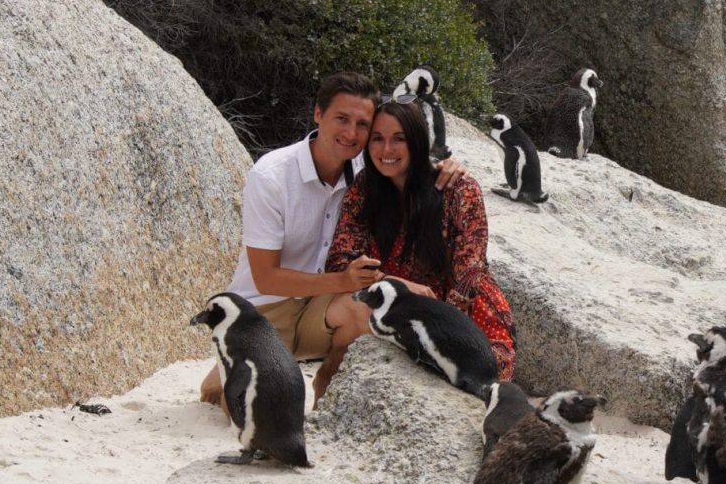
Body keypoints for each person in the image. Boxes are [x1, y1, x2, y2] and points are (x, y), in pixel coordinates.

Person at [200, 72, 467, 407]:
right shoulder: (271, 176)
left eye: (361, 124)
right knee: (258, 404)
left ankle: (328, 384)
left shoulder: (365, 166)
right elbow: (265, 277)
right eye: (342, 119)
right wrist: (343, 279)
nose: (351, 133)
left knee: (370, 313)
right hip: (262, 311)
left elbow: (405, 160)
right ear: (317, 114)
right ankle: (227, 374)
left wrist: (447, 165)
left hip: (321, 309)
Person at [324, 98, 517, 381]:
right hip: (396, 308)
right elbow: (341, 260)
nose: (386, 150)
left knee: (477, 387)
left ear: (417, 141)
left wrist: (441, 333)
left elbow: (469, 274)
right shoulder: (365, 189)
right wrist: (395, 285)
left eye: (399, 139)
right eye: (377, 138)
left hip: (462, 316)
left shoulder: (458, 189)